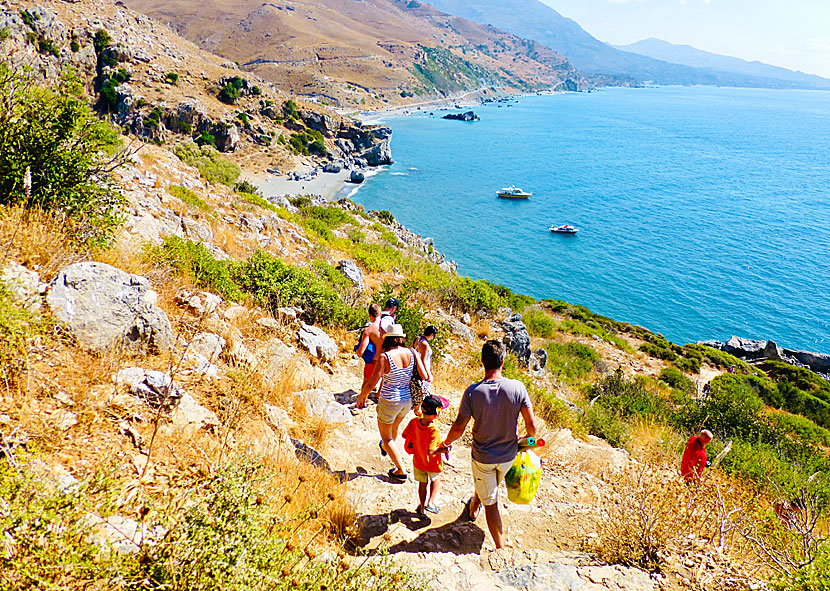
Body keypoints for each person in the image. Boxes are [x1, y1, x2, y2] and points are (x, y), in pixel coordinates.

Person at [436, 340, 537, 549]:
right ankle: (473, 508)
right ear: (503, 360)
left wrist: (445, 443)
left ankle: (501, 549)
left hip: (483, 457)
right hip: (509, 456)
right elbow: (532, 428)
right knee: (488, 485)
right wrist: (526, 441)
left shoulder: (473, 392)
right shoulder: (518, 387)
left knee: (491, 503)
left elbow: (458, 427)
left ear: (482, 361)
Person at [357, 324, 431, 482]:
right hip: (407, 400)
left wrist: (361, 396)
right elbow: (425, 376)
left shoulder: (386, 356)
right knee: (394, 427)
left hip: (390, 400)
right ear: (402, 339)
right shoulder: (412, 352)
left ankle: (400, 470)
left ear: (387, 339)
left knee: (386, 437)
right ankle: (388, 449)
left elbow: (372, 382)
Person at [402, 394, 449, 516]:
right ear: (437, 414)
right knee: (436, 479)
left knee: (422, 484)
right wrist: (444, 450)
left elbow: (404, 435)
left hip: (418, 461)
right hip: (432, 463)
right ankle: (431, 503)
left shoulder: (414, 422)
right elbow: (431, 451)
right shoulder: (434, 430)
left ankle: (422, 509)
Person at [356, 304, 383, 393]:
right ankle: (378, 396)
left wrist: (357, 351)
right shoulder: (388, 328)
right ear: (381, 314)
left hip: (373, 362)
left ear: (370, 316)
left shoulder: (369, 330)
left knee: (367, 382)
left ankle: (362, 402)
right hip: (386, 361)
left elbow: (360, 352)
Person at [412, 325, 437, 394]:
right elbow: (423, 360)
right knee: (424, 390)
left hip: (414, 366)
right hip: (422, 368)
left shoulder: (417, 339)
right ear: (431, 334)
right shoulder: (425, 344)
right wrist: (428, 374)